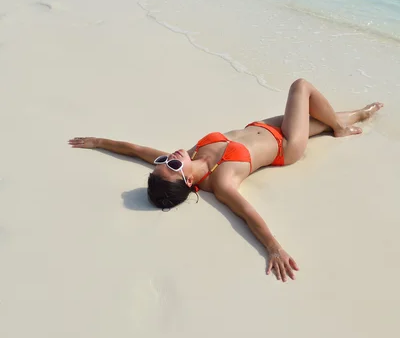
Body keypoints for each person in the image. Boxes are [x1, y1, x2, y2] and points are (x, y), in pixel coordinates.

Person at [69, 79, 383, 282]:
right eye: (172, 163)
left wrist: (97, 141)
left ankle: (358, 115)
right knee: (301, 88)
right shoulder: (222, 182)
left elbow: (135, 150)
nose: (169, 156)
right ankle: (342, 128)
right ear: (189, 182)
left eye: (164, 161)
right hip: (286, 145)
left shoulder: (188, 158)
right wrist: (274, 248)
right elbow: (248, 215)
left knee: (319, 119)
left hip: (262, 127)